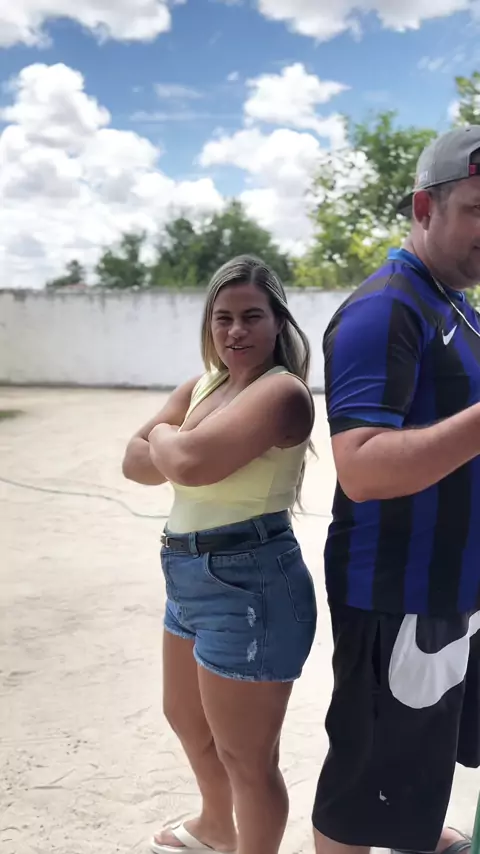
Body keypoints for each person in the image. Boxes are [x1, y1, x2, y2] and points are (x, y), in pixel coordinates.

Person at [314, 126, 480, 854]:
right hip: (395, 595)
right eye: (477, 209)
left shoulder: (455, 303)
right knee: (360, 793)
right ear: (424, 207)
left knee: (419, 758)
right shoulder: (386, 309)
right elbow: (363, 468)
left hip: (449, 591)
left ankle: (420, 831)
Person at [122, 255, 317, 854]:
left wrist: (165, 434)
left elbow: (187, 464)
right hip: (187, 574)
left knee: (248, 758)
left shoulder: (281, 391)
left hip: (251, 582)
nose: (236, 331)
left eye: (252, 316)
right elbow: (133, 464)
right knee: (185, 717)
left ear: (278, 322)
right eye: (223, 317)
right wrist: (172, 443)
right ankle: (215, 825)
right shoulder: (203, 386)